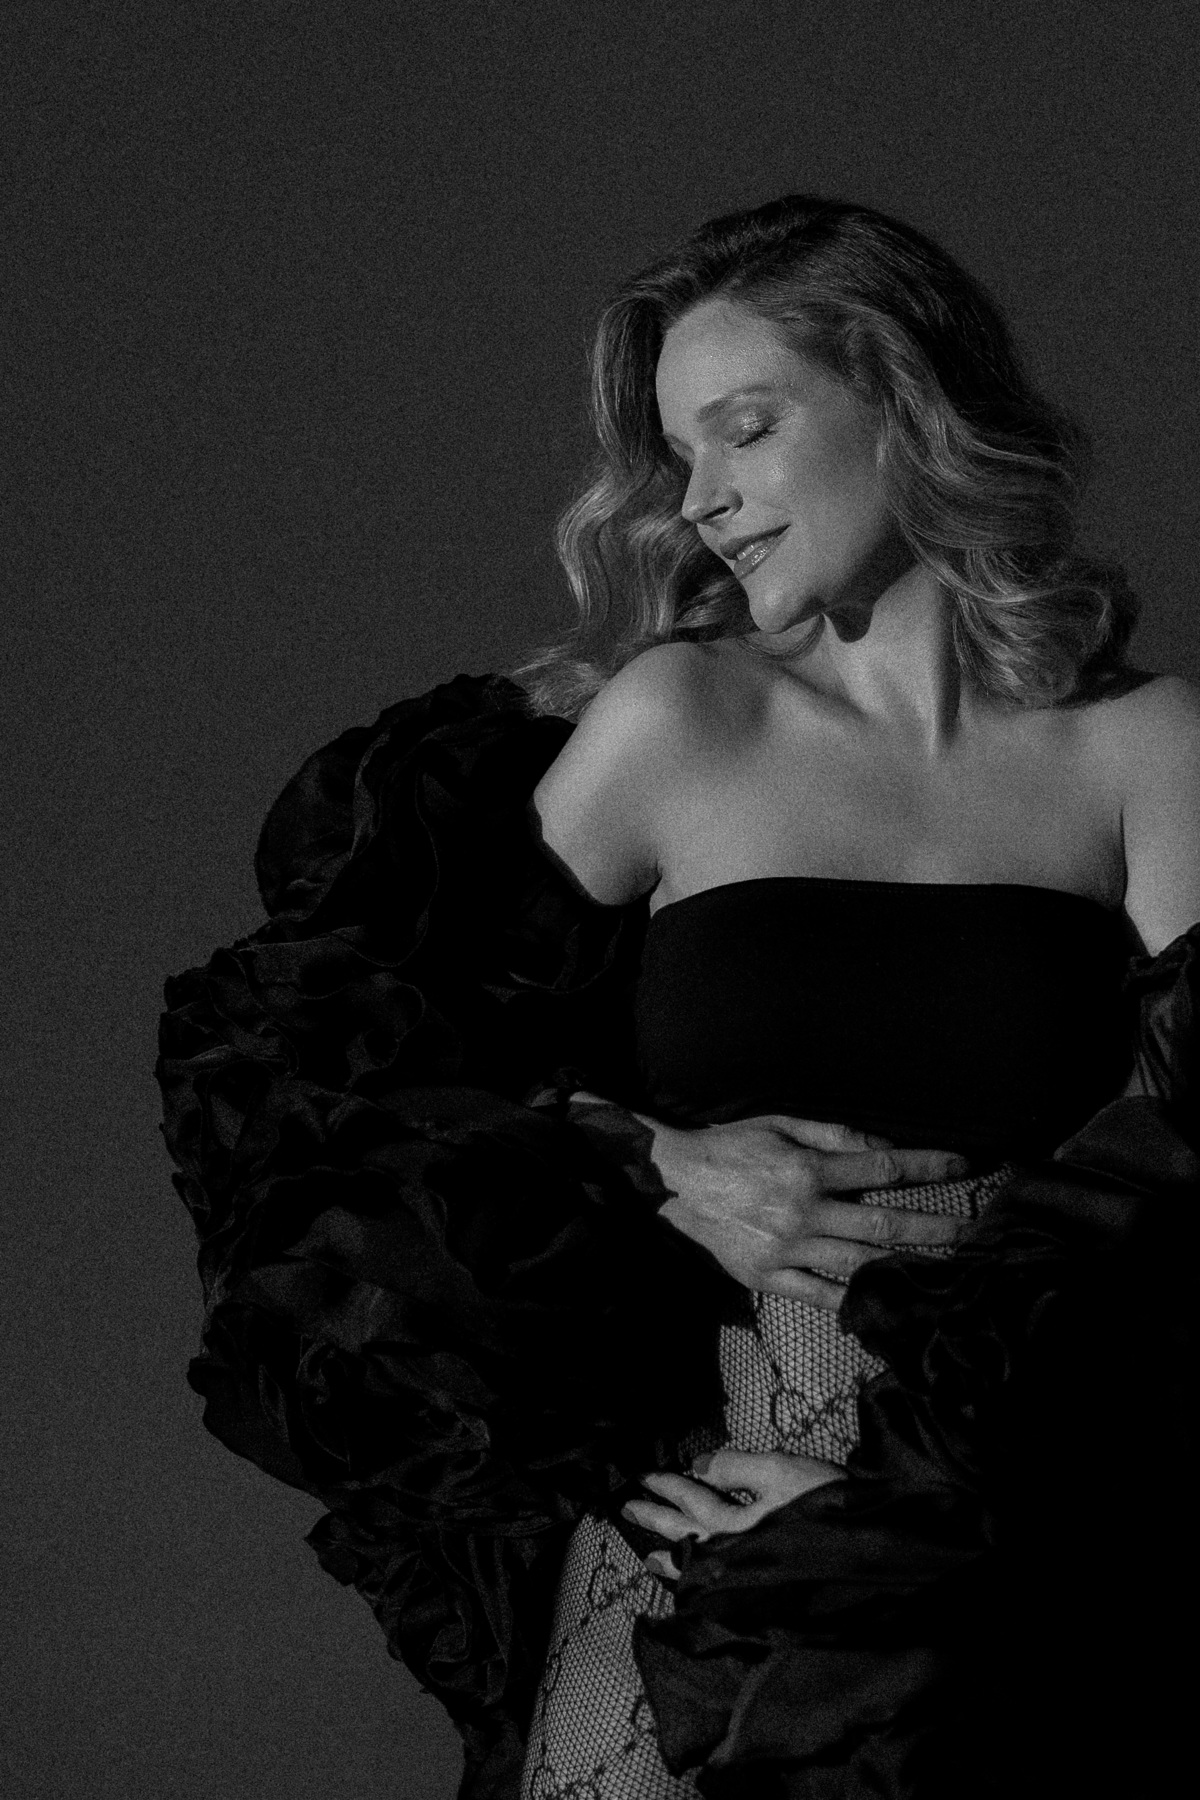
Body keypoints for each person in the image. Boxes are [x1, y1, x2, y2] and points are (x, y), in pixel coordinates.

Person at [157, 196, 1200, 1800]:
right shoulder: (679, 721)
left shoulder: (1150, 751)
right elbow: (320, 1076)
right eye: (678, 450)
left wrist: (935, 1508)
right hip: (705, 1528)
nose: (700, 497)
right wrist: (646, 1162)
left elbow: (1197, 1186)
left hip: (1019, 1551)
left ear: (906, 399)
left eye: (747, 429)